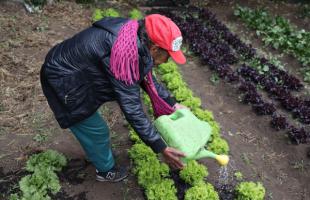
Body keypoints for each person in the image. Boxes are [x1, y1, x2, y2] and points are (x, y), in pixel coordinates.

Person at [40, 14, 187, 183]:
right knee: (97, 130)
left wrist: (172, 103)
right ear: (154, 48)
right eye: (168, 56)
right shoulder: (124, 54)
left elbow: (145, 76)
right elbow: (132, 108)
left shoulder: (134, 36)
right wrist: (160, 146)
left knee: (95, 130)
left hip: (77, 72)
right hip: (63, 81)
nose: (168, 61)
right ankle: (105, 171)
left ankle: (98, 153)